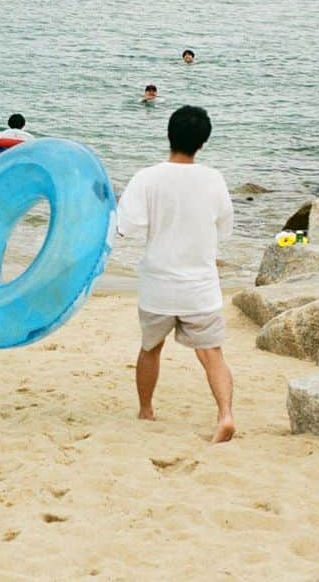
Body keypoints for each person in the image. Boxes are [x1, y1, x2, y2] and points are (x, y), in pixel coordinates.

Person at [116, 105, 236, 443]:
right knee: (212, 353)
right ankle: (225, 415)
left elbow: (126, 226)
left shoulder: (147, 177)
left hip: (159, 284)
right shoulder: (214, 179)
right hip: (200, 285)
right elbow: (225, 228)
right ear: (203, 143)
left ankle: (146, 410)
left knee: (151, 348)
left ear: (168, 134)